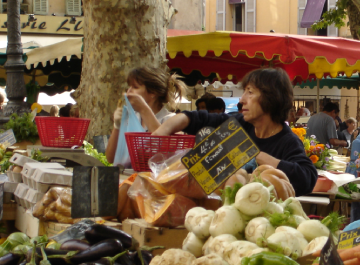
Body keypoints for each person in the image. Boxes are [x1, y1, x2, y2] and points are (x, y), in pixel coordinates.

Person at [153, 68, 318, 195]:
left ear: (271, 98)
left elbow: (307, 177)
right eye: (244, 91)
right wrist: (164, 129)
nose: (241, 100)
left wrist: (252, 153)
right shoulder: (238, 124)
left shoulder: (288, 141)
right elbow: (196, 118)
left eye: (250, 92)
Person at [106, 67, 187, 166]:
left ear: (153, 93)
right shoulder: (132, 119)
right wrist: (117, 126)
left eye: (135, 87)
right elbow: (110, 158)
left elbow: (169, 156)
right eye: (129, 87)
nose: (129, 91)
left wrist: (144, 109)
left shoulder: (171, 120)